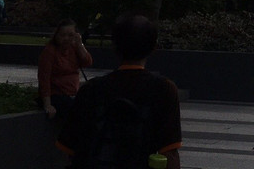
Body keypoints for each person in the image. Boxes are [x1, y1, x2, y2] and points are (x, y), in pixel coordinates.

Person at [57, 14, 182, 169]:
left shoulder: (90, 89)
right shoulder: (164, 90)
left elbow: (70, 149)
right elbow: (169, 154)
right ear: (153, 47)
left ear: (115, 47)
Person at [39, 19, 93, 120]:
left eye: (70, 35)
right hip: (57, 94)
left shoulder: (74, 48)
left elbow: (88, 62)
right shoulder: (50, 52)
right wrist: (48, 104)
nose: (66, 39)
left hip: (73, 92)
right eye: (63, 35)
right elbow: (44, 79)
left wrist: (80, 44)